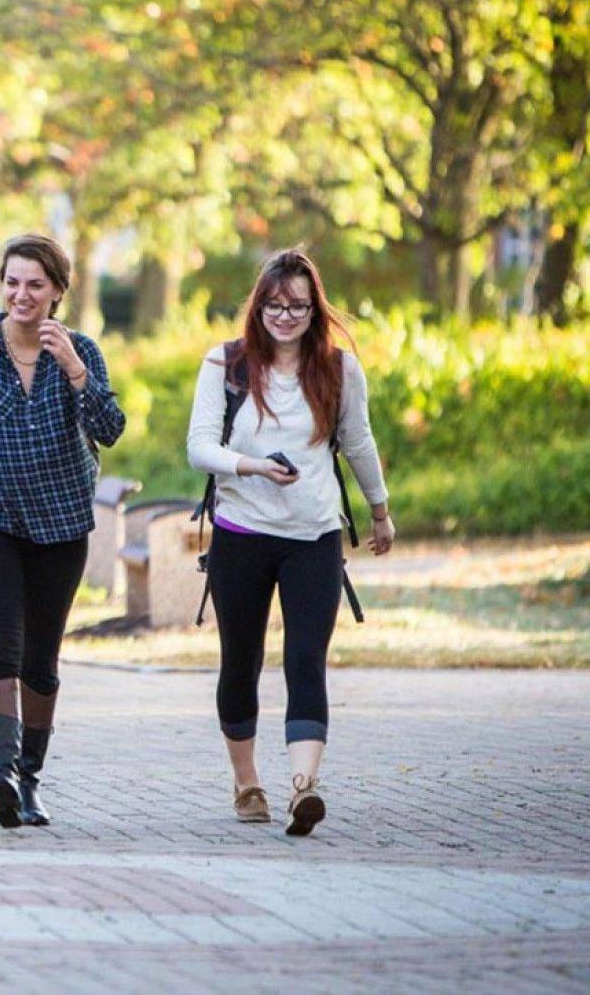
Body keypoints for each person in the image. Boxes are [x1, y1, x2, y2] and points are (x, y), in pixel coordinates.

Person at [187, 247, 394, 836]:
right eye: (276, 305)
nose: (286, 316)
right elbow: (200, 447)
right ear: (259, 306)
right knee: (241, 662)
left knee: (306, 659)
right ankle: (247, 783)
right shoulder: (225, 366)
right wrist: (251, 466)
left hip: (314, 536)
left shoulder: (338, 369)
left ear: (314, 309)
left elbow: (358, 443)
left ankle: (305, 787)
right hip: (241, 534)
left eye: (298, 307)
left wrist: (380, 512)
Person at [0, 233, 126, 829]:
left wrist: (76, 370)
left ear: (58, 291)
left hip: (61, 528)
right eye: (12, 282)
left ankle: (30, 780)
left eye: (35, 284)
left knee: (41, 659)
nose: (22, 294)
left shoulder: (80, 350)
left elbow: (111, 429)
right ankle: (2, 773)